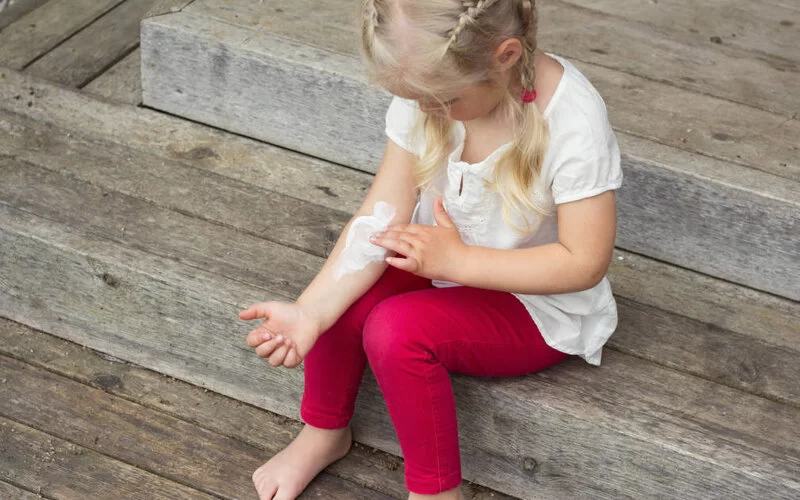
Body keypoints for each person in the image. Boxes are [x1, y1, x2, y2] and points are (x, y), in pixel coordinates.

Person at [239, 0, 623, 498]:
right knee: (354, 280)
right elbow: (383, 210)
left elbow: (584, 261)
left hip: (535, 304)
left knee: (396, 331)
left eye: (441, 102)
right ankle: (324, 431)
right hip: (443, 262)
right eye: (415, 99)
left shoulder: (573, 122)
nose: (426, 111)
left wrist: (461, 261)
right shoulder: (430, 90)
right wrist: (310, 311)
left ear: (504, 56)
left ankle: (436, 490)